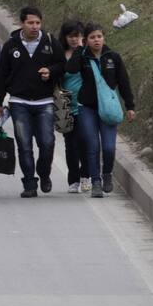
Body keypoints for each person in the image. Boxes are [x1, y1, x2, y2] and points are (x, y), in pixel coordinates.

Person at [0, 5, 64, 197]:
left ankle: (44, 173)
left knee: (47, 142)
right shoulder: (11, 45)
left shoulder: (50, 42)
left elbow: (62, 65)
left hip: (45, 102)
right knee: (24, 144)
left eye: (38, 23)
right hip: (19, 102)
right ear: (22, 24)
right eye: (30, 23)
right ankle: (30, 183)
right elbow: (1, 75)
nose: (35, 26)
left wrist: (51, 71)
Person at [64, 23, 136, 197]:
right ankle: (96, 181)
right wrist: (80, 50)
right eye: (92, 37)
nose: (96, 40)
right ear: (86, 40)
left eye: (99, 36)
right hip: (86, 108)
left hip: (108, 110)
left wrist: (130, 106)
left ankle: (107, 174)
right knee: (92, 145)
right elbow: (70, 68)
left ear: (104, 37)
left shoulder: (113, 57)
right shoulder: (82, 56)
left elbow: (124, 82)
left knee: (109, 147)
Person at [57, 20, 89, 193]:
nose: (75, 40)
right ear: (65, 37)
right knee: (71, 144)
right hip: (66, 106)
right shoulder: (60, 54)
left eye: (78, 36)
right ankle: (73, 180)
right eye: (71, 36)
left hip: (85, 106)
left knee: (85, 142)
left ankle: (86, 177)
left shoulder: (87, 53)